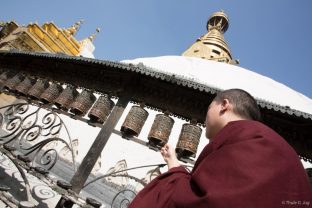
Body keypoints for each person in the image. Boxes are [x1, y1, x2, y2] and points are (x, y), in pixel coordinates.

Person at [128, 88, 312, 208]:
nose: (205, 117)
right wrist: (173, 164)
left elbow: (198, 199)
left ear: (224, 105)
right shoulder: (278, 146)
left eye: (209, 108)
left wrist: (172, 179)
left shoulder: (238, 137)